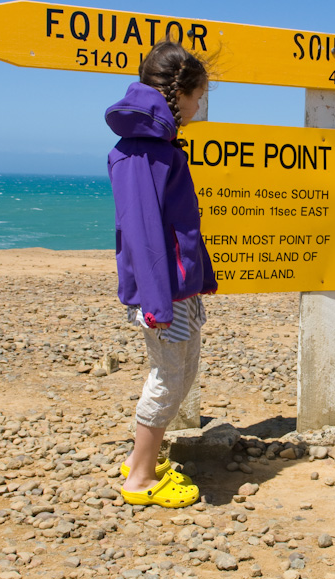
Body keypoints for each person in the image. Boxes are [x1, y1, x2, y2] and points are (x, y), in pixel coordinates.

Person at [105, 41, 217, 508]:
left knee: (183, 369)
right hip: (161, 288)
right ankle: (140, 479)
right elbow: (144, 231)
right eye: (199, 97)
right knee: (169, 375)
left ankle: (143, 461)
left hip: (174, 284)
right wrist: (155, 300)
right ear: (180, 93)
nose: (200, 106)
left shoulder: (161, 145)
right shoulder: (142, 151)